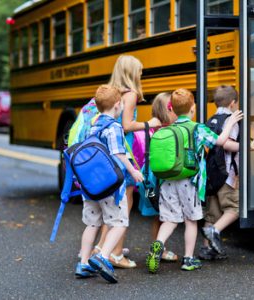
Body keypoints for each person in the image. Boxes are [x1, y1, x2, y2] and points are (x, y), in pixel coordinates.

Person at [69, 55, 161, 269]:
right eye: (139, 71)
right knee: (123, 204)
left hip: (103, 158)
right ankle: (115, 253)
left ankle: (101, 248)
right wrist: (150, 123)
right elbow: (127, 125)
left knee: (107, 206)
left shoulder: (110, 92)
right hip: (121, 154)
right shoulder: (130, 94)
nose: (141, 74)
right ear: (131, 72)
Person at [145, 88, 243, 273]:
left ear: (171, 109)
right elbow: (221, 141)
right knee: (191, 221)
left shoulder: (168, 128)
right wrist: (230, 123)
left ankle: (158, 244)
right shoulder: (197, 128)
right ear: (193, 109)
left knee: (170, 220)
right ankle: (188, 259)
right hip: (189, 182)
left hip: (167, 181)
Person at [76, 85, 144, 283]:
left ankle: (84, 262)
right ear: (117, 105)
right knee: (120, 222)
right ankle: (103, 256)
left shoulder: (92, 124)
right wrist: (133, 171)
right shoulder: (114, 127)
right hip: (111, 185)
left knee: (92, 223)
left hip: (90, 185)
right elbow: (118, 154)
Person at [198, 85, 254, 260]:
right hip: (226, 174)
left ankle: (206, 249)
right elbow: (227, 144)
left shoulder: (211, 119)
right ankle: (214, 232)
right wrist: (249, 146)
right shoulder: (232, 120)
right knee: (235, 207)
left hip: (211, 173)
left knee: (213, 213)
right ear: (233, 103)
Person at [135, 92, 179, 261]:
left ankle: (157, 246)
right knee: (164, 214)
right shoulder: (167, 130)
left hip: (150, 176)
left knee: (158, 214)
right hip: (161, 177)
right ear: (168, 110)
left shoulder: (154, 128)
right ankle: (159, 248)